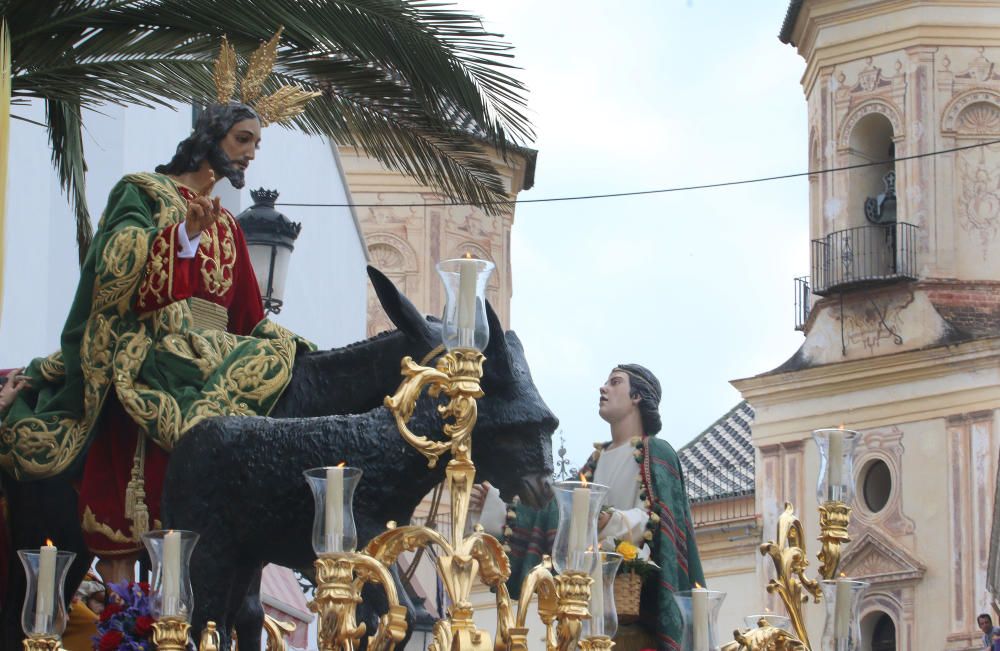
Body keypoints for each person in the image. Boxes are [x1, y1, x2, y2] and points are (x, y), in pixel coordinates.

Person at [0, 91, 314, 585]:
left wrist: (297, 353)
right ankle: (121, 608)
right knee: (127, 488)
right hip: (147, 352)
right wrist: (182, 238)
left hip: (206, 369)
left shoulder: (230, 226)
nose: (250, 153)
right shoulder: (142, 191)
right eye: (242, 139)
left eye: (256, 144)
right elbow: (114, 268)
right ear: (210, 137)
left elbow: (248, 319)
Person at [473, 364, 705, 650]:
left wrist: (613, 521)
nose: (603, 388)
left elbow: (658, 522)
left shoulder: (657, 453)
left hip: (632, 605)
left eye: (615, 382)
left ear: (637, 397)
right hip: (589, 605)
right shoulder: (593, 465)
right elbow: (554, 512)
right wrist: (497, 507)